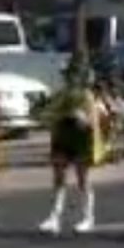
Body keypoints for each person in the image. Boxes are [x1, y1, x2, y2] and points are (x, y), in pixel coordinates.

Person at [39, 54, 104, 235]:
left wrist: (83, 118)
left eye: (73, 75)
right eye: (68, 75)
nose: (70, 78)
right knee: (59, 176)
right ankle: (54, 216)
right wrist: (48, 115)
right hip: (62, 135)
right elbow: (48, 113)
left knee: (82, 178)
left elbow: (93, 121)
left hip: (80, 138)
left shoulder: (87, 96)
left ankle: (88, 217)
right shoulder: (61, 94)